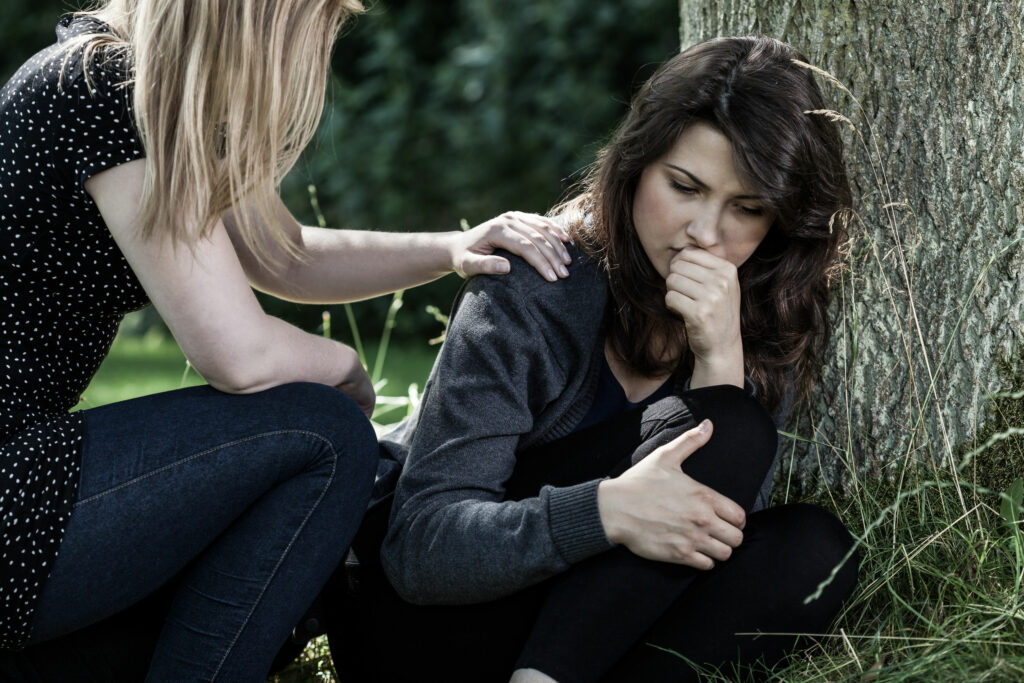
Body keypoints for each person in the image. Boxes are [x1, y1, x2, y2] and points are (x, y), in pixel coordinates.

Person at [0, 1, 573, 681]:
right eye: (325, 17)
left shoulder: (141, 92)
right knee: (326, 434)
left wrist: (454, 248)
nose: (323, 43)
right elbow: (237, 355)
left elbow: (283, 254)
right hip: (15, 491)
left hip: (24, 480)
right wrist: (345, 368)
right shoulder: (103, 89)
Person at [327, 35, 860, 682]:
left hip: (581, 633)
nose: (707, 233)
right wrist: (609, 510)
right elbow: (423, 551)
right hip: (425, 626)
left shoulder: (750, 316)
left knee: (815, 552)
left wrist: (720, 359)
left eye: (746, 208)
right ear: (635, 166)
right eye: (685, 187)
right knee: (735, 428)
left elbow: (708, 542)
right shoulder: (533, 287)